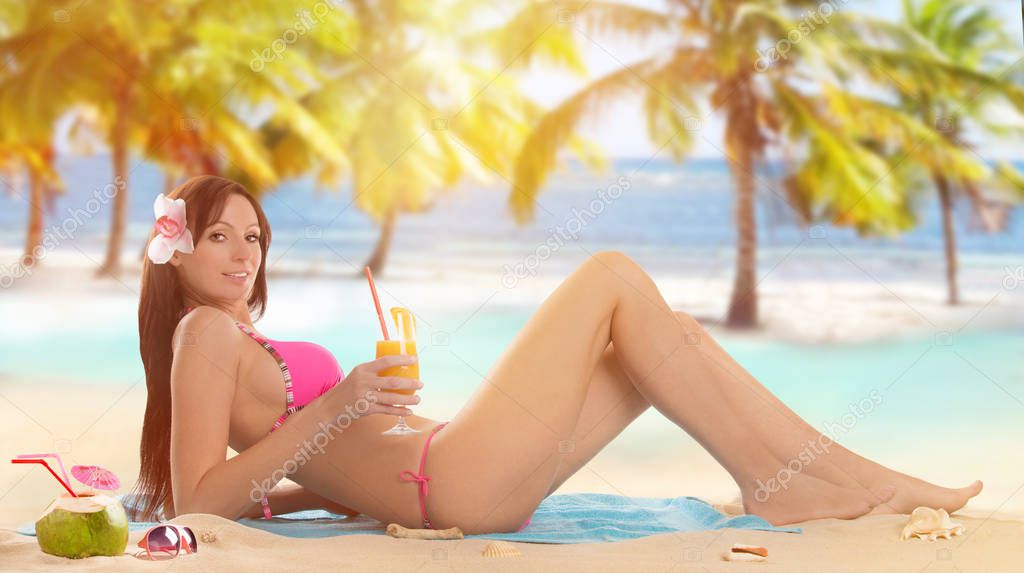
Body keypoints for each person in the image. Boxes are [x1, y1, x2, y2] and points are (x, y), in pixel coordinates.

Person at [131, 175, 982, 533]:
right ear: (180, 252)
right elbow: (200, 501)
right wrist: (343, 403)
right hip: (449, 479)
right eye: (218, 235)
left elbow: (275, 475)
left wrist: (324, 489)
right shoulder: (200, 333)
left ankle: (800, 477)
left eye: (255, 235)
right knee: (610, 275)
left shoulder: (236, 340)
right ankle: (786, 481)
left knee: (669, 333)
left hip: (450, 471)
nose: (244, 254)